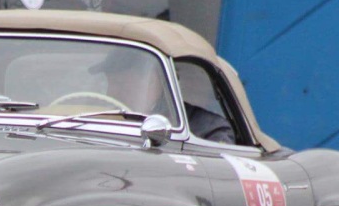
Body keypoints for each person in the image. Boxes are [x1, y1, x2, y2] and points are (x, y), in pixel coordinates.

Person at [95, 51, 236, 144]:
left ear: (157, 82)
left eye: (122, 84)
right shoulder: (101, 121)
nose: (110, 93)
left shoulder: (208, 129)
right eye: (110, 84)